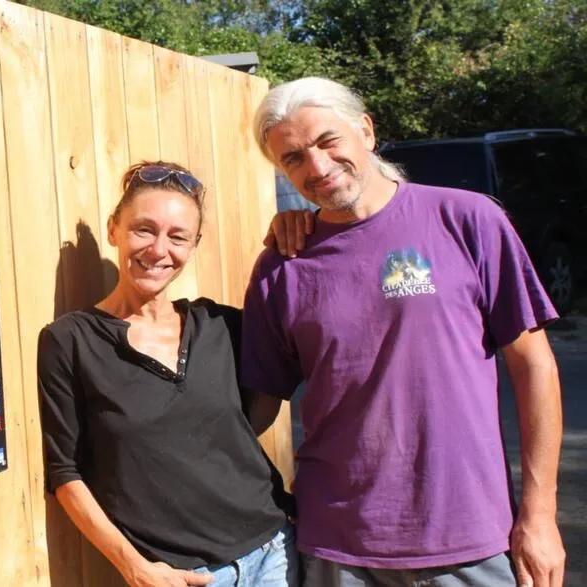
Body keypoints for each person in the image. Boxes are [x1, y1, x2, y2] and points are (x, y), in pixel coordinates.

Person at [241, 76, 566, 587]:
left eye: (328, 141)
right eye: (294, 158)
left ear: (366, 131)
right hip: (337, 548)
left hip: (469, 538)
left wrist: (540, 515)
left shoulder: (467, 220)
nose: (317, 168)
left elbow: (535, 366)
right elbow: (254, 410)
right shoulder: (283, 264)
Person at [37, 161, 299, 587]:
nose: (159, 250)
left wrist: (298, 223)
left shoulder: (223, 326)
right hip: (185, 576)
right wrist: (133, 566)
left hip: (275, 553)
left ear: (193, 245)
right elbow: (64, 473)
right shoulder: (70, 341)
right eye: (144, 230)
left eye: (178, 237)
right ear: (114, 230)